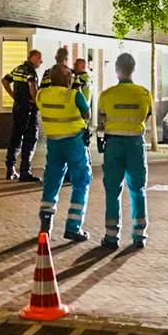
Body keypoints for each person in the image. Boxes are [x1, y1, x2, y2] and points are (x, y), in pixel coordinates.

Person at [97, 54, 153, 249]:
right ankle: (139, 235)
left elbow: (101, 122)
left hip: (113, 145)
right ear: (133, 69)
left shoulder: (106, 95)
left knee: (112, 190)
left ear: (117, 69)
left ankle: (111, 236)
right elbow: (146, 116)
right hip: (135, 144)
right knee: (138, 189)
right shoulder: (144, 94)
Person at [36, 68, 92, 241]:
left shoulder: (41, 95)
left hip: (53, 143)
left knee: (51, 181)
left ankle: (45, 225)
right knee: (81, 181)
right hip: (74, 142)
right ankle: (73, 227)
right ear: (68, 79)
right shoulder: (74, 95)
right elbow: (87, 113)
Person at [1, 50, 43, 182]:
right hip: (28, 109)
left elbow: (5, 81)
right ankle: (25, 171)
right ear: (32, 58)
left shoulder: (18, 69)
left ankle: (10, 168)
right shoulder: (30, 71)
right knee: (30, 138)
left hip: (18, 108)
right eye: (39, 59)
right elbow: (31, 85)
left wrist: (14, 96)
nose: (40, 62)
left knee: (16, 136)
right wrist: (36, 100)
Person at [73, 58, 93, 149]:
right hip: (85, 109)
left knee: (81, 139)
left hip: (82, 110)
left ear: (83, 67)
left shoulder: (82, 78)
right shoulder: (86, 77)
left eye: (76, 65)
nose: (74, 67)